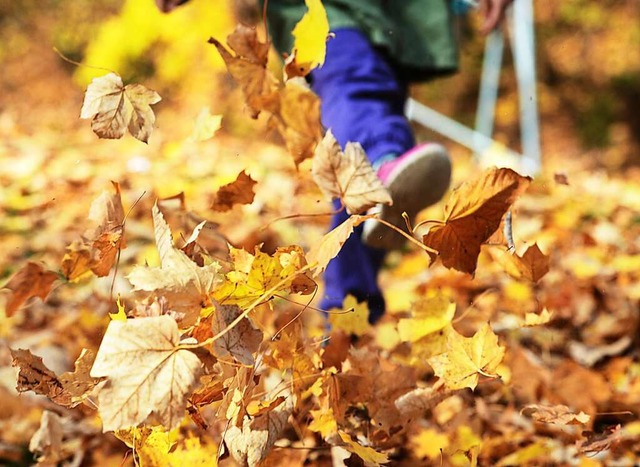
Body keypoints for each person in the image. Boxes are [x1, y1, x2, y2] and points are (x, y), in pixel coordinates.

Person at [156, 0, 513, 322]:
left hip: (395, 14)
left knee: (378, 131)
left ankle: (346, 321)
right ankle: (380, 160)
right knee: (358, 90)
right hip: (321, 11)